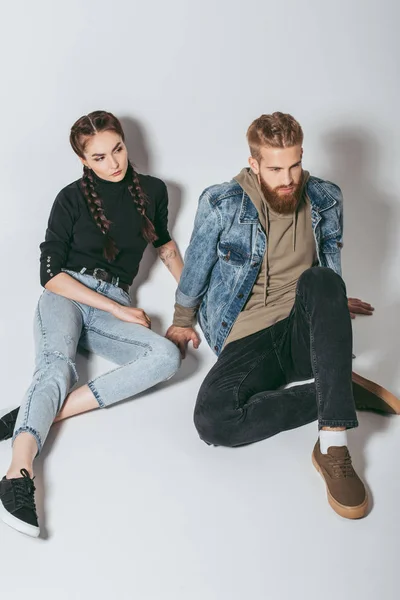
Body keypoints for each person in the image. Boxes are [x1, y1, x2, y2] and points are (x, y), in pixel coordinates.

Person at [166, 112, 400, 520]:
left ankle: (333, 445)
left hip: (300, 331)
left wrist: (333, 302)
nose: (288, 177)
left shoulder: (326, 198)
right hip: (244, 337)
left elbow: (329, 266)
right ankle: (337, 392)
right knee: (213, 421)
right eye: (275, 168)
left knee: (323, 279)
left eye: (294, 164)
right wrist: (183, 319)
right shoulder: (222, 203)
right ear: (254, 164)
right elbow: (197, 269)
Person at [0, 110, 182, 537]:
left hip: (113, 300)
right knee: (56, 367)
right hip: (67, 293)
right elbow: (50, 274)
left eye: (117, 149)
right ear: (84, 160)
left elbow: (166, 246)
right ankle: (16, 474)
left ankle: (40, 412)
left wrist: (192, 303)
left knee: (166, 356)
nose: (113, 163)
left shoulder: (153, 190)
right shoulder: (70, 198)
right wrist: (119, 311)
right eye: (99, 157)